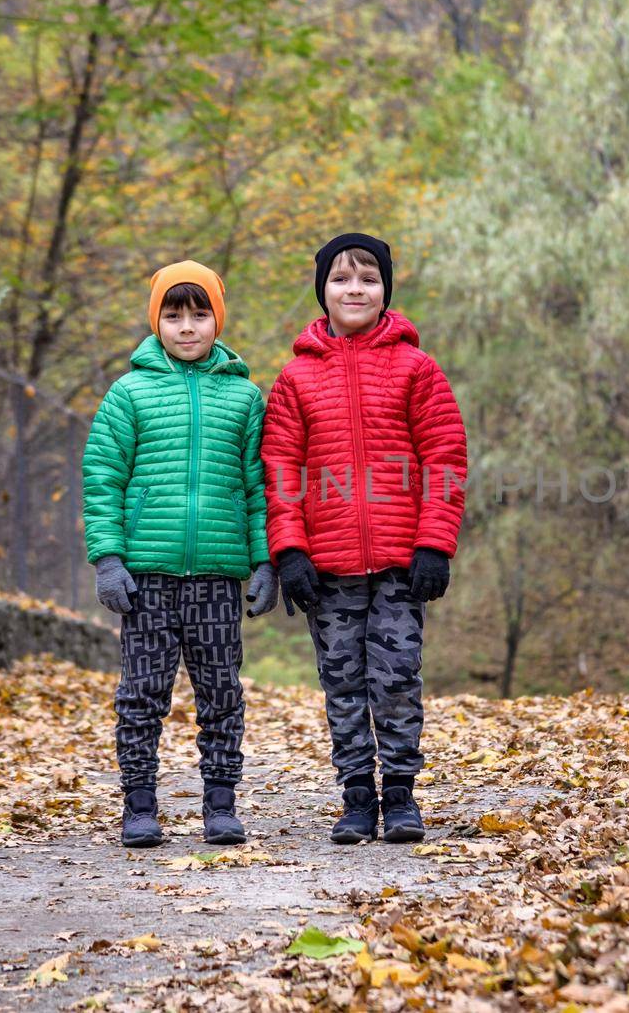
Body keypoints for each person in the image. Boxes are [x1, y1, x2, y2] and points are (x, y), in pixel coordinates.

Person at [262, 232, 467, 844]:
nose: (355, 289)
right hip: (327, 568)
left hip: (402, 562)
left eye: (368, 278)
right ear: (323, 290)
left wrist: (435, 543)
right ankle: (356, 797)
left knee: (397, 679)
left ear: (385, 290)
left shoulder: (417, 368)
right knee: (343, 682)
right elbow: (279, 470)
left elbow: (445, 457)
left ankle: (401, 794)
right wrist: (290, 551)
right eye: (342, 279)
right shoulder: (295, 379)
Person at [82, 259, 278, 848]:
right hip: (147, 575)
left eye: (199, 314)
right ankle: (139, 807)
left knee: (221, 691)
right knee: (141, 693)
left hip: (218, 575)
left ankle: (220, 805)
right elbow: (102, 477)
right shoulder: (130, 392)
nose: (187, 327)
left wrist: (265, 559)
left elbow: (258, 485)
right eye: (174, 314)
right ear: (156, 320)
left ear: (217, 320)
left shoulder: (245, 398)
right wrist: (108, 558)